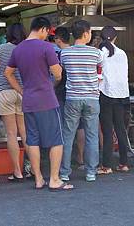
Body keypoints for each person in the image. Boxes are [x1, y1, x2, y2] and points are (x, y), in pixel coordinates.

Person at [5, 17, 71, 191]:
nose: (47, 35)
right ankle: (55, 179)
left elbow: (8, 73)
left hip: (28, 100)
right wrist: (53, 78)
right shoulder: (46, 47)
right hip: (47, 99)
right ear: (43, 29)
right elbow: (57, 74)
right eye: (48, 32)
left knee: (32, 140)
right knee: (56, 140)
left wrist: (21, 90)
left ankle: (39, 179)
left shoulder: (18, 49)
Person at [59, 20, 104, 183]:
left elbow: (62, 71)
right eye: (90, 32)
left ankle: (64, 172)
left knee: (68, 135)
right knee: (92, 135)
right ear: (86, 34)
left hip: (72, 98)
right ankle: (91, 172)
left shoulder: (65, 53)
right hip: (92, 98)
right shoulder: (96, 53)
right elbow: (100, 70)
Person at [0, 23, 27, 182]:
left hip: (5, 91)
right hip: (23, 92)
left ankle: (17, 171)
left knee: (11, 133)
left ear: (8, 34)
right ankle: (33, 169)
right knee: (24, 132)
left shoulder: (1, 49)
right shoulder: (27, 48)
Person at [98, 26, 130, 175]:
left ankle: (107, 165)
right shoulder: (122, 53)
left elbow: (98, 74)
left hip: (106, 94)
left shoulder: (100, 54)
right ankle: (124, 163)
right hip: (122, 94)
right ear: (116, 38)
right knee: (120, 129)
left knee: (107, 130)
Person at [54, 27, 85, 169]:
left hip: (62, 94)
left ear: (58, 39)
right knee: (80, 127)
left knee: (63, 129)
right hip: (77, 93)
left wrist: (51, 86)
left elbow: (57, 76)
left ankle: (62, 161)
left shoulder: (60, 55)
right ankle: (81, 157)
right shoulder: (76, 51)